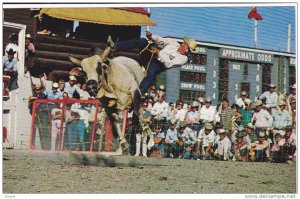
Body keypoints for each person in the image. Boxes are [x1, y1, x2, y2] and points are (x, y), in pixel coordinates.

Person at [105, 31, 197, 93]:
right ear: (184, 43)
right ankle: (115, 47)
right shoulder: (174, 43)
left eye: (188, 49)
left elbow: (168, 64)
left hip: (158, 65)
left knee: (152, 72)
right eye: (186, 45)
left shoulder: (183, 59)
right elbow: (161, 40)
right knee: (143, 41)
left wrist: (158, 53)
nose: (185, 49)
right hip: (151, 57)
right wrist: (151, 36)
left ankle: (140, 92)